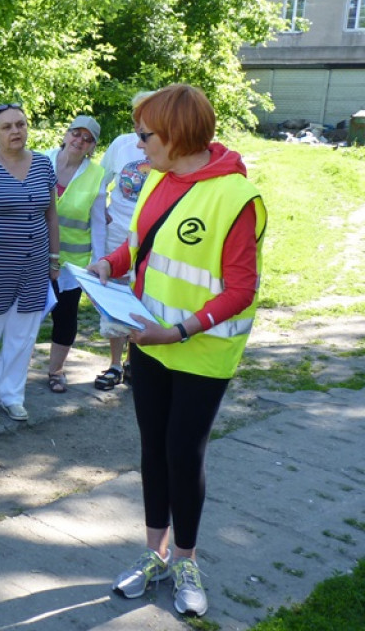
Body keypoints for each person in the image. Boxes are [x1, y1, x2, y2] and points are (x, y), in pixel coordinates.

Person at [88, 84, 266, 619]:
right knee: (152, 450)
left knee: (183, 455)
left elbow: (241, 289)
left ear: (177, 134)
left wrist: (180, 331)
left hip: (199, 351)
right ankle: (153, 555)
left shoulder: (237, 197)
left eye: (145, 135)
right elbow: (139, 244)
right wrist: (109, 266)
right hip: (150, 344)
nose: (138, 145)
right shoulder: (157, 180)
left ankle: (185, 560)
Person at [0, 103, 59, 424]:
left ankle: (13, 395)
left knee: (24, 335)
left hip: (34, 266)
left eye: (20, 124)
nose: (15, 131)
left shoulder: (44, 164)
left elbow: (51, 215)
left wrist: (54, 259)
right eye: (7, 127)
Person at [93, 94, 153, 391]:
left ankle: (136, 363)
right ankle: (116, 364)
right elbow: (101, 179)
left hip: (151, 236)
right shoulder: (122, 143)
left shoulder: (166, 146)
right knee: (115, 300)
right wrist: (101, 209)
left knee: (143, 297)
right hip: (118, 231)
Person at [44, 116, 107, 393]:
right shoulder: (40, 160)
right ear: (66, 134)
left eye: (87, 139)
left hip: (71, 264)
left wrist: (100, 263)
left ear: (92, 147)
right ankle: (13, 369)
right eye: (76, 133)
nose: (79, 141)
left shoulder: (96, 175)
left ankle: (56, 371)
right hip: (34, 256)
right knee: (24, 315)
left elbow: (98, 223)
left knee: (66, 316)